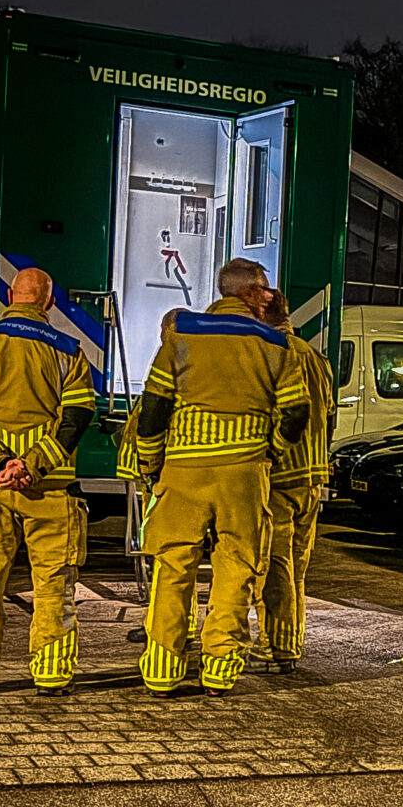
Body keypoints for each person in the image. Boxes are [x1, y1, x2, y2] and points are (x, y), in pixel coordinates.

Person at [123, 258, 307, 697]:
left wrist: (151, 461)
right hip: (244, 473)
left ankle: (162, 670)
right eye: (264, 289)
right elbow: (297, 412)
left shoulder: (182, 335)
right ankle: (220, 669)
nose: (269, 296)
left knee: (173, 566)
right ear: (248, 293)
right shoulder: (275, 343)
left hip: (184, 468)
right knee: (236, 568)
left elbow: (153, 408)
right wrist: (270, 449)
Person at [0, 266, 97, 694]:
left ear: (10, 295)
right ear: (48, 302)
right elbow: (77, 418)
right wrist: (33, 464)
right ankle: (50, 675)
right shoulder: (69, 351)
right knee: (53, 585)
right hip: (50, 489)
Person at [253, 285, 336, 672]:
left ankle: (274, 646)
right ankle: (288, 643)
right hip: (313, 477)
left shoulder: (272, 354)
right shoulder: (316, 357)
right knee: (296, 568)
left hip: (282, 475)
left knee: (274, 565)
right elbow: (329, 416)